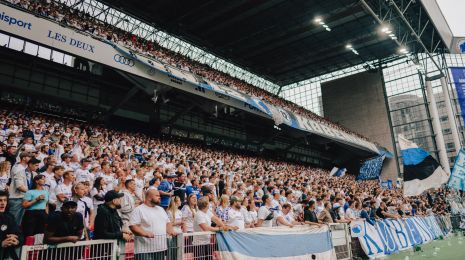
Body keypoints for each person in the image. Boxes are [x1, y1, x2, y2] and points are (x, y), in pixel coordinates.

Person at [129, 189, 176, 260]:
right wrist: (144, 233)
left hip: (160, 248)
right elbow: (133, 226)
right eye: (157, 195)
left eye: (159, 196)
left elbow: (167, 223)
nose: (159, 197)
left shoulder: (161, 209)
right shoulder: (139, 210)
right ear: (149, 197)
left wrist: (171, 231)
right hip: (144, 250)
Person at [9, 155, 37, 225]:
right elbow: (19, 186)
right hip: (16, 199)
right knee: (13, 219)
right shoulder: (19, 172)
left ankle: (17, 234)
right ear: (30, 165)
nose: (37, 167)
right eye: (36, 165)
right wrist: (31, 193)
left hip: (26, 199)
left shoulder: (34, 174)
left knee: (21, 221)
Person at [0, 190, 22, 260]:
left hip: (9, 255)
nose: (3, 203)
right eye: (0, 200)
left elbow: (20, 235)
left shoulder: (9, 217)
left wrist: (16, 240)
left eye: (5, 200)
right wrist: (1, 244)